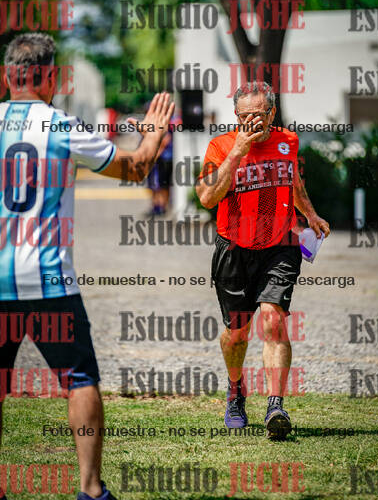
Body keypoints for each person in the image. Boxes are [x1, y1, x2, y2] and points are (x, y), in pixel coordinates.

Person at [0, 33, 174, 499]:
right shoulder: (62, 127)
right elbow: (136, 168)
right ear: (51, 78)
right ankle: (91, 490)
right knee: (80, 381)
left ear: (7, 76)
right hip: (50, 279)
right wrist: (154, 131)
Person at [196, 81, 330, 440]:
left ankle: (275, 406)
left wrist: (310, 214)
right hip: (234, 249)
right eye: (243, 116)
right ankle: (236, 390)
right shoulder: (220, 145)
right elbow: (207, 197)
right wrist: (237, 151)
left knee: (273, 319)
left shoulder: (288, 141)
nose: (250, 121)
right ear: (235, 115)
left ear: (271, 113)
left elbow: (293, 181)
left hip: (278, 245)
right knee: (236, 334)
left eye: (257, 115)